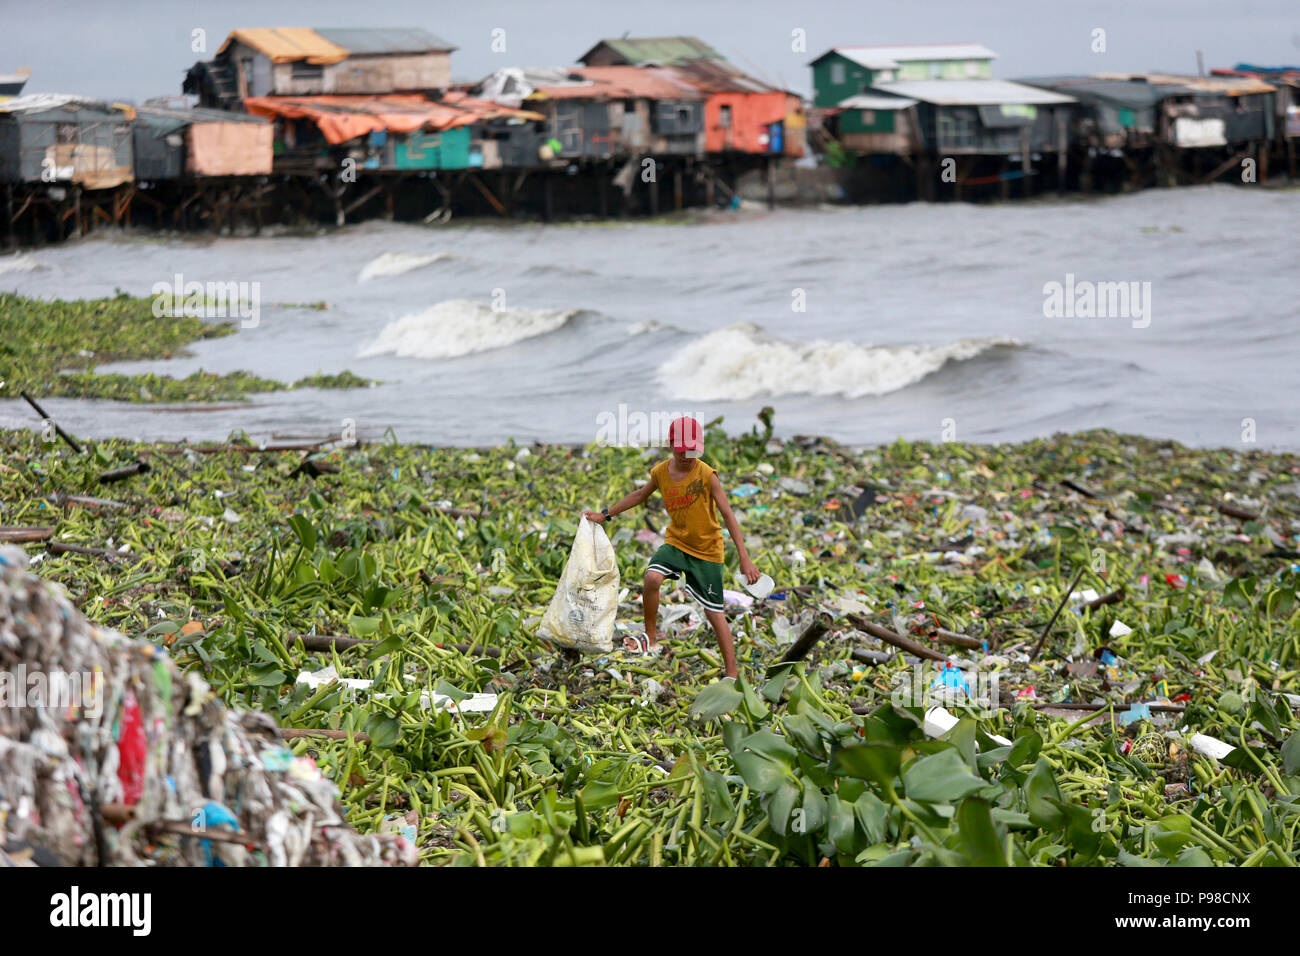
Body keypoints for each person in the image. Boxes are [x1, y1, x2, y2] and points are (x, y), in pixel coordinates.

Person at [583, 416, 759, 680]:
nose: (688, 456)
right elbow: (640, 495)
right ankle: (651, 640)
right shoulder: (661, 472)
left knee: (714, 613)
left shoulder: (707, 475)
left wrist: (745, 559)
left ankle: (732, 673)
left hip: (707, 550)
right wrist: (605, 515)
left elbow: (728, 515)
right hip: (677, 542)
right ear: (671, 446)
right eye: (682, 450)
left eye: (692, 450)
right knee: (651, 578)